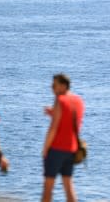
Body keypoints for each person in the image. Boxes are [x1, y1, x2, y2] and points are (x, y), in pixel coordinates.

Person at [42, 74, 85, 202]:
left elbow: (53, 128)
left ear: (63, 86)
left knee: (48, 187)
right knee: (68, 186)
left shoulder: (60, 100)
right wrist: (53, 113)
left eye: (54, 85)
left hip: (56, 149)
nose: (51, 87)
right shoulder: (78, 100)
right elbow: (70, 122)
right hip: (71, 149)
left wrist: (45, 148)